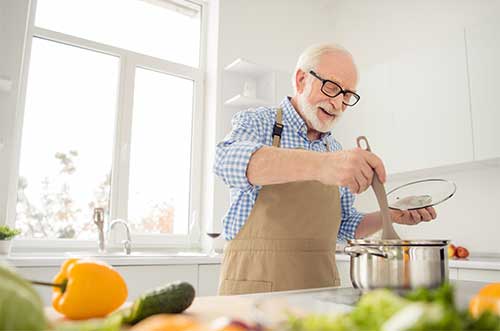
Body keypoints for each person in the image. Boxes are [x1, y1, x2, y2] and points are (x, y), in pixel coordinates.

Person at [214, 43, 437, 295]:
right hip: (253, 293)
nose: (338, 104)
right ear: (301, 80)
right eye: (331, 87)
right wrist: (322, 165)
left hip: (319, 294)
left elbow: (345, 226)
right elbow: (225, 161)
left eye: (347, 95)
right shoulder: (258, 122)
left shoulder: (335, 148)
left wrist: (391, 214)